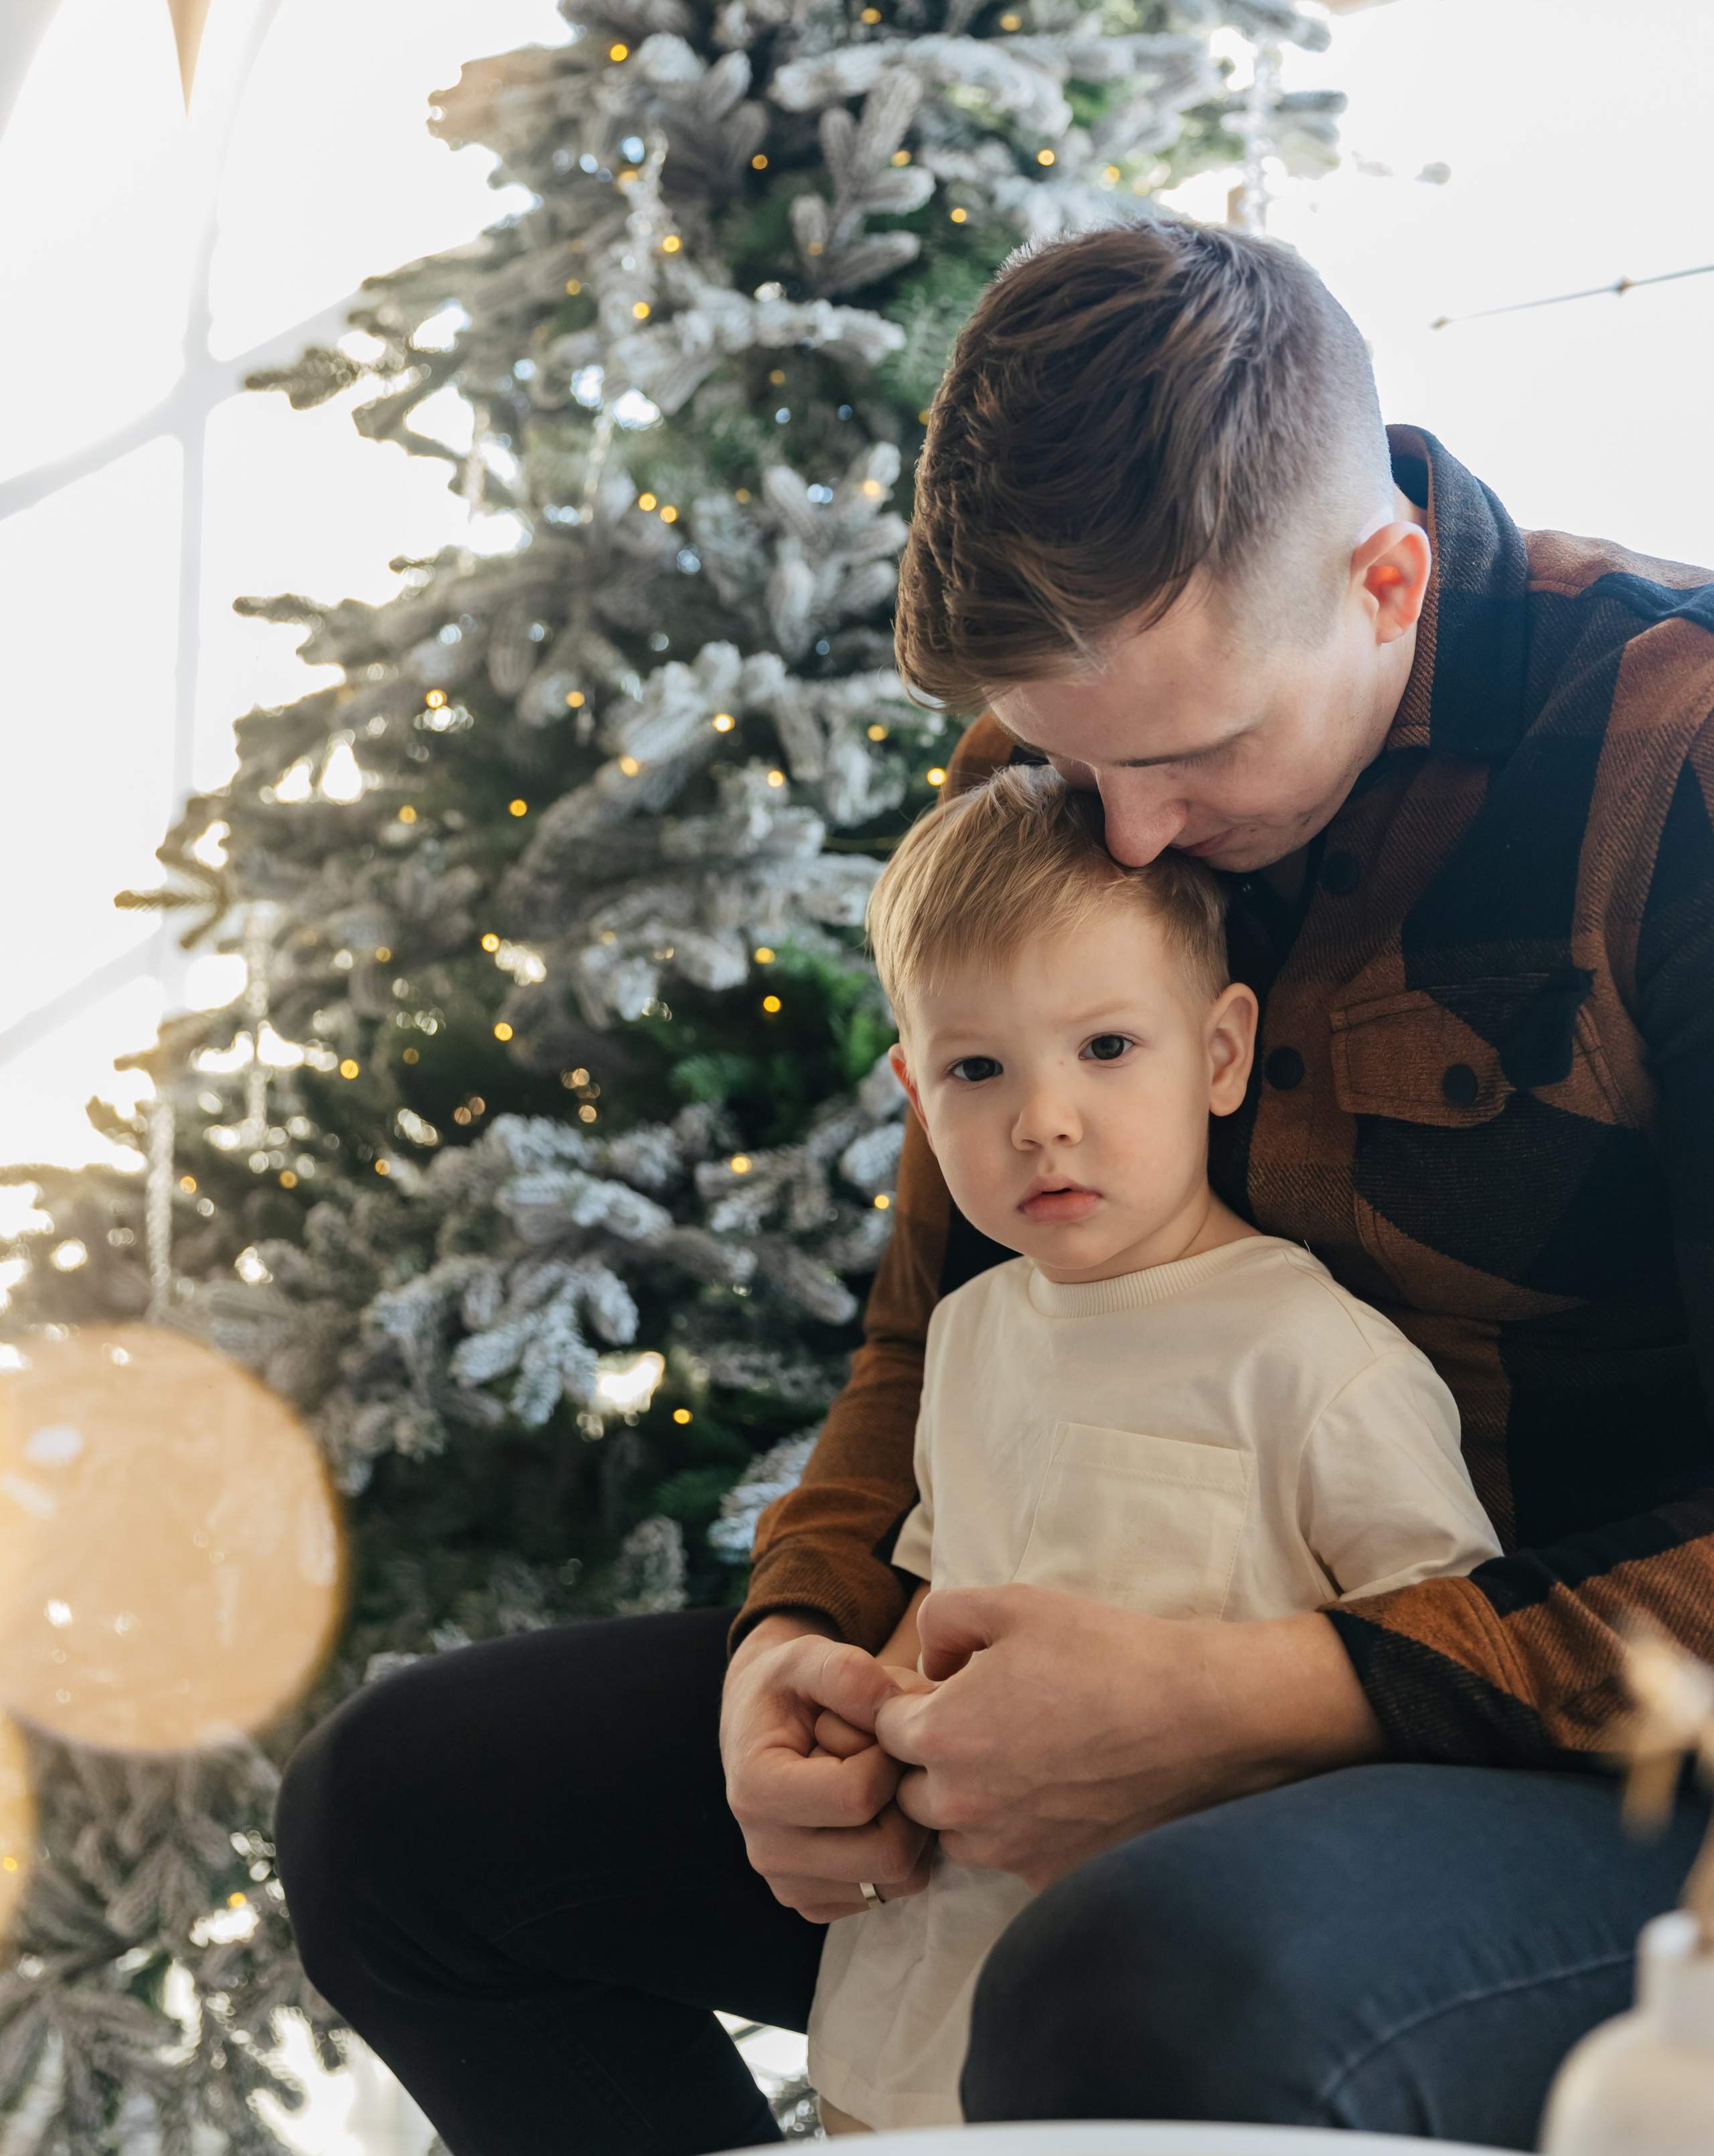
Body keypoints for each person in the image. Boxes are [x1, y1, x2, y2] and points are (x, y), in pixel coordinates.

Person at [275, 221, 1714, 2155]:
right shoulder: (1067, 763)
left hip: (1620, 1768)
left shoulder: (1675, 753)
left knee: (1139, 1978)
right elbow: (934, 1328)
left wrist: (1279, 1697)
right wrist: (788, 1649)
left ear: (1382, 583)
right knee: (397, 1817)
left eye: (1193, 752)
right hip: (1074, 1698)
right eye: (1065, 757)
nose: (1126, 832)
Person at [804, 761, 1499, 2132]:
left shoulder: (1316, 1359)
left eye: (1107, 1048)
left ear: (1220, 1054)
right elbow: (936, 1589)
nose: (1042, 1120)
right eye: (976, 1069)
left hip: (1179, 2002)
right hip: (915, 1987)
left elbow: (1444, 1668)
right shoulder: (971, 1332)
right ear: (915, 1094)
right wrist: (857, 1710)